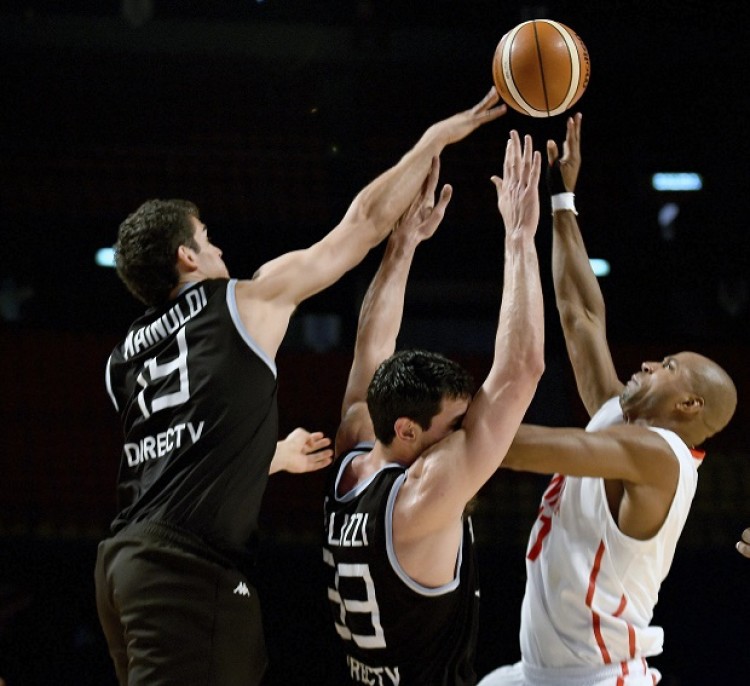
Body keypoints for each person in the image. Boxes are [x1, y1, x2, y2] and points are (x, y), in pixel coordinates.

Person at [94, 88, 509, 686]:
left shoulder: (123, 358)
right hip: (183, 571)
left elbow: (172, 463)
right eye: (207, 238)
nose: (219, 248)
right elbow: (360, 226)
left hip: (122, 566)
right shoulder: (241, 301)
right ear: (186, 256)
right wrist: (435, 138)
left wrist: (270, 456)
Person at [478, 113, 738, 686]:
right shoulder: (622, 417)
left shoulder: (660, 458)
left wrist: (443, 422)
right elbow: (580, 316)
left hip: (601, 678)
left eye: (668, 367)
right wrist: (562, 200)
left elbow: (517, 449)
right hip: (537, 673)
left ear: (689, 406)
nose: (648, 365)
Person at [323, 131, 545, 685]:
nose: (464, 432)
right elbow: (521, 370)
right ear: (407, 429)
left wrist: (403, 245)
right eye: (454, 425)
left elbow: (371, 346)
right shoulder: (421, 493)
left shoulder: (353, 451)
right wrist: (519, 236)